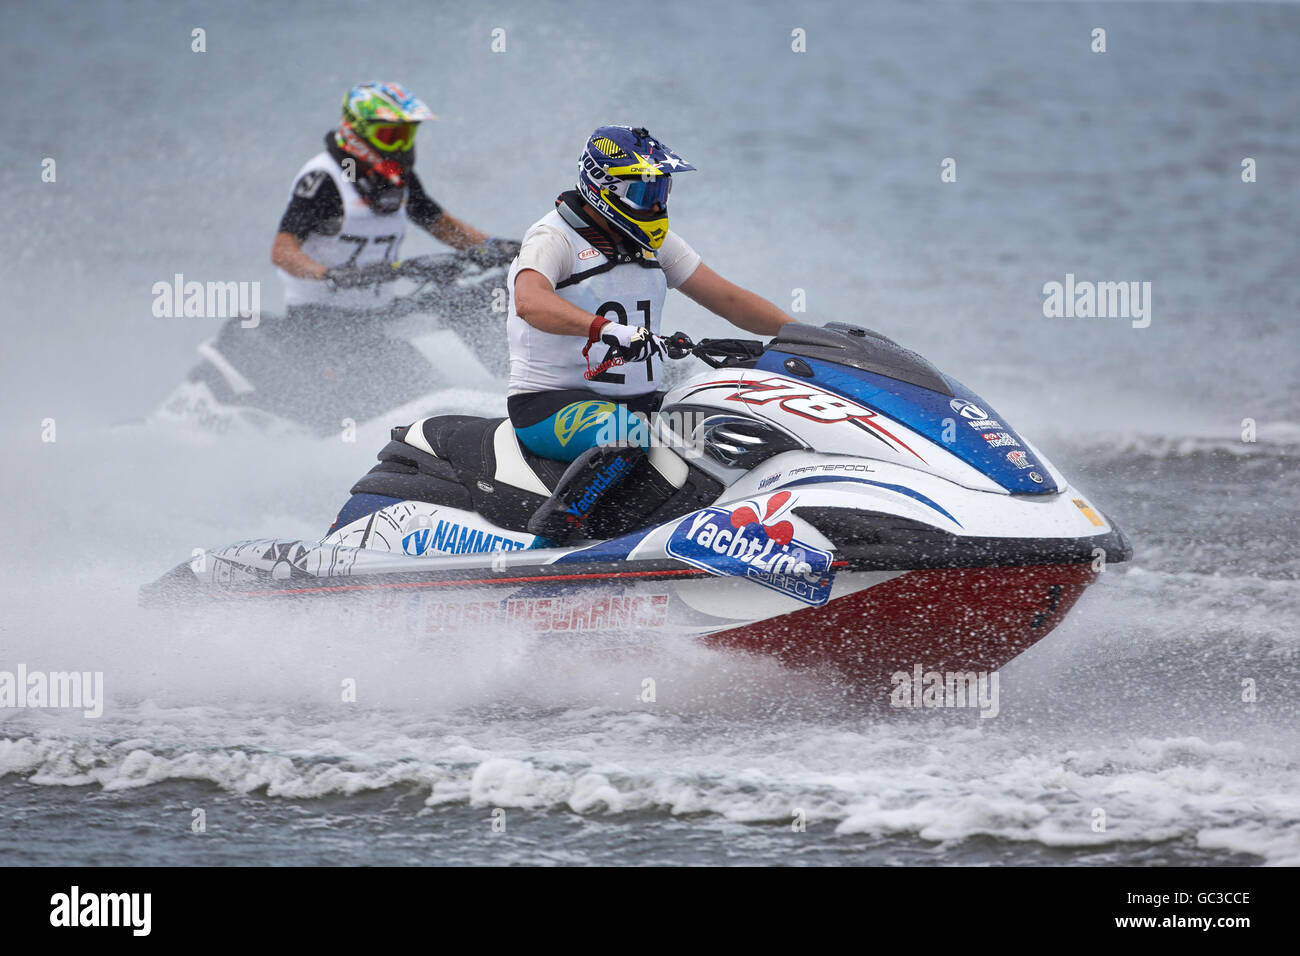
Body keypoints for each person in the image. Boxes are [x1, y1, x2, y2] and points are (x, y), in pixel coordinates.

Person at [506, 125, 795, 544]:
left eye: (661, 191)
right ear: (605, 188)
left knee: (738, 424)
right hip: (550, 406)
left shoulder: (655, 243)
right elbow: (530, 302)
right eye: (645, 193)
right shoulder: (553, 238)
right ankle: (546, 546)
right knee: (626, 436)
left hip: (639, 402)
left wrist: (804, 335)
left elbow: (730, 300)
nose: (656, 203)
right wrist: (607, 331)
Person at [272, 81, 517, 308]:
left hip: (379, 312)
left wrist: (495, 247)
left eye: (406, 136)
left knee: (471, 302)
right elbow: (282, 251)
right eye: (391, 137)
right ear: (357, 132)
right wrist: (328, 274)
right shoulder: (325, 178)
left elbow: (441, 225)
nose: (400, 148)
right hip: (319, 317)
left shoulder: (398, 177)